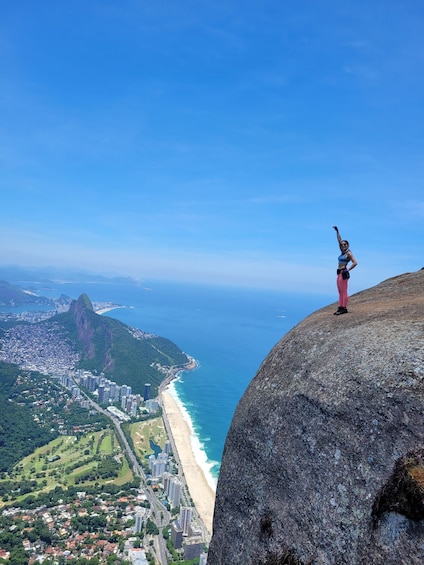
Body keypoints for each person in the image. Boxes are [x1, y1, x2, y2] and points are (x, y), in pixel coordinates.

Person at [333, 226, 358, 315]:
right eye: (342, 245)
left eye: (345, 244)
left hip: (343, 272)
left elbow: (355, 262)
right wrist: (337, 231)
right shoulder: (342, 252)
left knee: (344, 291)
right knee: (340, 291)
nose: (343, 245)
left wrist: (348, 269)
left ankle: (344, 308)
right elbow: (339, 240)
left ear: (347, 245)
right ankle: (341, 306)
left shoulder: (348, 253)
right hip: (339, 273)